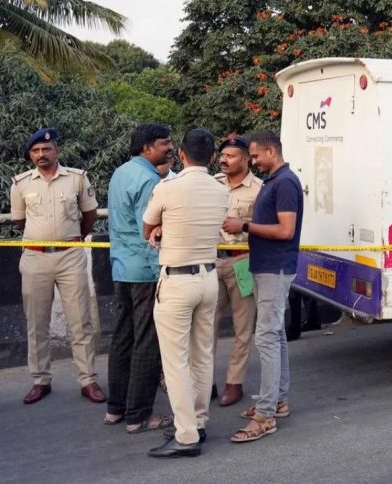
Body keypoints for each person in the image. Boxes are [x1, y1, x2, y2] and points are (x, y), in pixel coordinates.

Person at [143, 128, 228, 458]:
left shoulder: (168, 187)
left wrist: (160, 227)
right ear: (212, 157)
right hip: (208, 278)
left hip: (177, 281)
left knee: (176, 361)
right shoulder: (220, 190)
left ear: (180, 154)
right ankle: (199, 422)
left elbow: (147, 228)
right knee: (202, 354)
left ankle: (187, 434)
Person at [10, 127, 105, 405]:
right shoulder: (20, 183)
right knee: (36, 322)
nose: (41, 154)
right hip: (35, 257)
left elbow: (89, 214)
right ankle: (41, 379)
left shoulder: (76, 178)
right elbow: (20, 221)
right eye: (36, 151)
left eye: (46, 149)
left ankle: (88, 379)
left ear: (56, 151)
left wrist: (72, 238)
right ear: (31, 155)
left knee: (80, 320)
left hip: (70, 255)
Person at [222, 130, 303, 443]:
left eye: (256, 156)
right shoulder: (274, 181)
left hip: (274, 268)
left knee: (266, 337)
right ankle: (277, 401)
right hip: (266, 266)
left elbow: (286, 230)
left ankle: (266, 415)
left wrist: (243, 226)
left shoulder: (285, 183)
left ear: (272, 151)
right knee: (275, 334)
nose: (253, 161)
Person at [105, 123, 174, 433]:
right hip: (144, 271)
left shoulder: (121, 173)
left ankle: (116, 409)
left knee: (123, 337)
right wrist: (160, 273)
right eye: (164, 143)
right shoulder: (149, 180)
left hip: (121, 268)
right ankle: (139, 415)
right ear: (147, 148)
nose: (170, 148)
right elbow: (150, 235)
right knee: (147, 340)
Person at [212, 135, 263, 407]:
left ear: (245, 159)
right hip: (212, 261)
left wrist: (243, 224)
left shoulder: (259, 189)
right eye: (223, 155)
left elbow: (266, 226)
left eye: (230, 156)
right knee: (206, 325)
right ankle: (205, 382)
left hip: (242, 261)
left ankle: (234, 383)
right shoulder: (213, 184)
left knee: (242, 327)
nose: (224, 160)